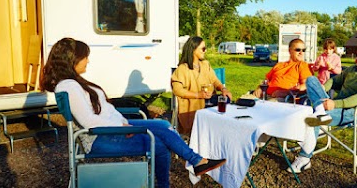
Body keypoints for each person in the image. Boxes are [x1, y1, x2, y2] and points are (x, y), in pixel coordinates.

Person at [40, 38, 225, 187]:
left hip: (113, 127)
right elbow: (89, 121)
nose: (88, 60)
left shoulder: (73, 82)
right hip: (101, 137)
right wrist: (122, 126)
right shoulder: (69, 87)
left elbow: (105, 111)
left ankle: (197, 161)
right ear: (72, 59)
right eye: (85, 56)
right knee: (160, 145)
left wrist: (122, 121)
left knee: (163, 125)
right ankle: (190, 166)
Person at [287, 47, 357, 173]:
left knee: (313, 119)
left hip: (352, 112)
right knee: (311, 80)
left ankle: (304, 159)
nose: (355, 61)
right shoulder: (352, 70)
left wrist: (336, 104)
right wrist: (322, 89)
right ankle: (319, 109)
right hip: (331, 105)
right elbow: (333, 81)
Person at [171, 36, 232, 134]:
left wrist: (223, 89)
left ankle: (221, 133)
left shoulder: (205, 64)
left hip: (209, 99)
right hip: (194, 103)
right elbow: (177, 90)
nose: (205, 51)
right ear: (193, 49)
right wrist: (198, 95)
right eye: (203, 48)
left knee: (227, 100)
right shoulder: (183, 69)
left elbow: (215, 80)